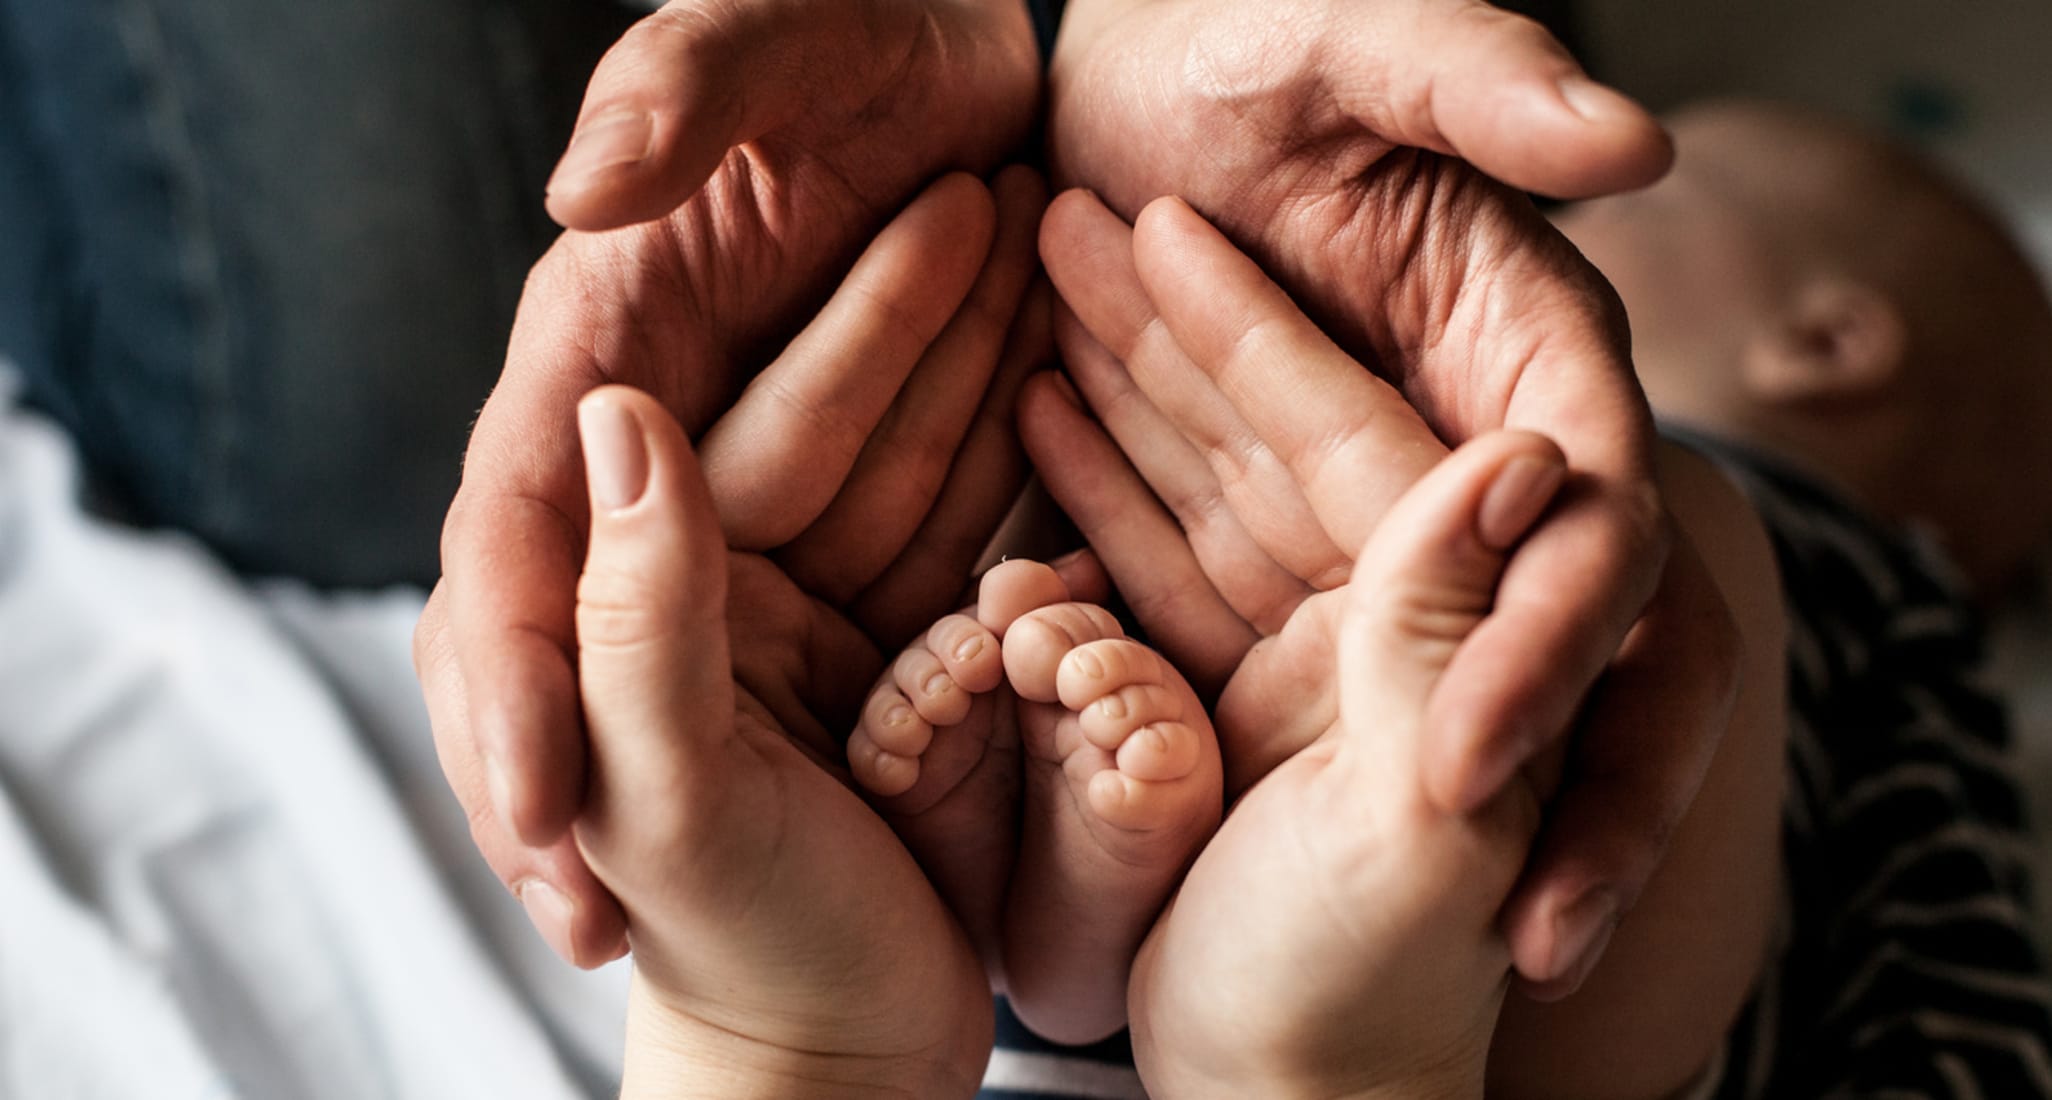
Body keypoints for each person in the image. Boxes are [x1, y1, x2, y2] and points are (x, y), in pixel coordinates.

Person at [419, 0, 1737, 1022]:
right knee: (1617, 547)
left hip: (901, 940)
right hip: (1312, 913)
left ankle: (947, 993)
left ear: (1833, 340)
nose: (1583, 236)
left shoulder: (1880, 574)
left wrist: (783, 1039)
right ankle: (1203, 991)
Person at [1022, 99, 2052, 1096]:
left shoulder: (1860, 564)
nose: (1533, 231)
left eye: (1616, 211)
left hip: (1594, 1005)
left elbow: (1938, 970)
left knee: (1654, 526)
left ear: (1823, 346)